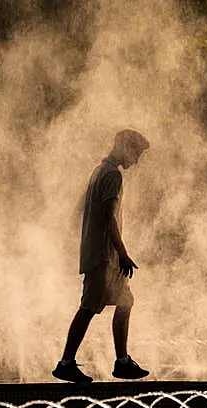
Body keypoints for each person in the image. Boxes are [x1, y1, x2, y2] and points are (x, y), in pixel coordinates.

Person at [52, 129, 150, 383]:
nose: (136, 160)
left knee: (125, 301)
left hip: (101, 253)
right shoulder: (112, 176)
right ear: (123, 147)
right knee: (88, 307)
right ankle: (66, 363)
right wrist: (123, 254)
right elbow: (109, 219)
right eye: (136, 153)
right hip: (104, 256)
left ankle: (122, 361)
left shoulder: (99, 171)